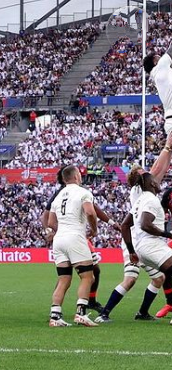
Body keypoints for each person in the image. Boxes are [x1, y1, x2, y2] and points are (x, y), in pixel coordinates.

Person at [95, 136, 172, 322]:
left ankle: (143, 312)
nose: (149, 174)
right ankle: (104, 313)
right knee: (130, 279)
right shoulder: (141, 191)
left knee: (159, 278)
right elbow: (157, 170)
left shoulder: (141, 192)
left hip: (139, 239)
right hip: (138, 240)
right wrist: (167, 147)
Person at [45, 165, 100, 328]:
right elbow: (90, 212)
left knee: (64, 279)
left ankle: (55, 316)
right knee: (88, 277)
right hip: (75, 236)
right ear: (76, 176)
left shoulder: (58, 196)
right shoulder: (83, 192)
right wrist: (94, 230)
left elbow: (50, 223)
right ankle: (81, 313)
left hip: (59, 239)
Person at [126, 172, 172, 326]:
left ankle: (146, 311)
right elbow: (146, 224)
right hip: (151, 244)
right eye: (156, 181)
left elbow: (125, 225)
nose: (159, 183)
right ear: (152, 183)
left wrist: (132, 250)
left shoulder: (140, 201)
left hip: (142, 248)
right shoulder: (151, 200)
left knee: (165, 275)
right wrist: (168, 234)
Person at [143, 44, 172, 134]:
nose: (161, 57)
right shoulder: (160, 67)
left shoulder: (159, 75)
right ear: (155, 61)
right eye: (159, 57)